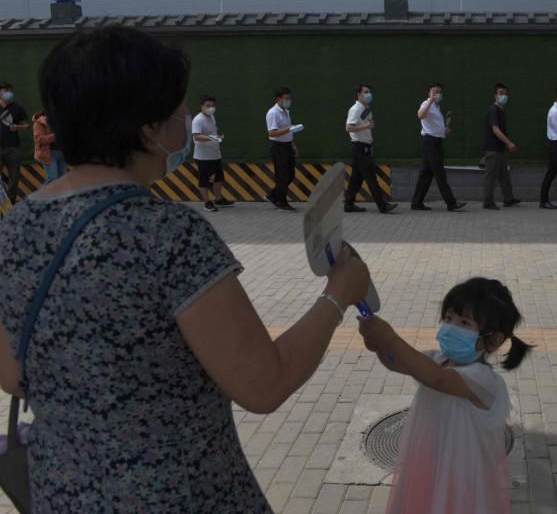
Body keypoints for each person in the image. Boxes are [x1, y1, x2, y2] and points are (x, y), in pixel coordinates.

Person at [0, 26, 371, 511]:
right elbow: (263, 384)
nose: (187, 115)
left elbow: (12, 375)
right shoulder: (169, 235)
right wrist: (338, 293)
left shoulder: (16, 227)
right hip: (178, 493)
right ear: (147, 128)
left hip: (64, 491)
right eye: (178, 108)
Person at [358, 278, 532, 514]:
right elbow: (398, 363)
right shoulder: (437, 359)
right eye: (449, 318)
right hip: (429, 464)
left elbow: (437, 379)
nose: (451, 327)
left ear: (493, 339)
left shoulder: (484, 380)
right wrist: (379, 346)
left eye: (463, 322)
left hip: (463, 478)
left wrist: (390, 337)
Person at [411, 83, 465, 212]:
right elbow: (420, 116)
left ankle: (416, 203)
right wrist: (430, 101)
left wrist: (444, 130)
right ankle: (451, 203)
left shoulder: (436, 107)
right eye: (435, 91)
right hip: (430, 143)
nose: (437, 94)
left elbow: (433, 125)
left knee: (426, 175)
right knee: (440, 174)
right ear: (429, 92)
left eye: (440, 92)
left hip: (434, 142)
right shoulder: (426, 104)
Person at [344, 85, 398, 214]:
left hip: (363, 147)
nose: (369, 94)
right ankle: (382, 205)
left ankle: (349, 205)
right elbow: (348, 128)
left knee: (356, 179)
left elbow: (364, 129)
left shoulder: (366, 108)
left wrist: (369, 145)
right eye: (366, 92)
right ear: (359, 94)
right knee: (371, 177)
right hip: (359, 147)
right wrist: (367, 126)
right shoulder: (355, 109)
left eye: (370, 92)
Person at [192, 95, 234, 212]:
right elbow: (197, 136)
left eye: (213, 106)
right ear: (202, 106)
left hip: (215, 154)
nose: (211, 108)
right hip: (203, 156)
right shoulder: (198, 119)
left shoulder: (212, 117)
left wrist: (217, 137)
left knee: (218, 178)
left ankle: (219, 199)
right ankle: (207, 202)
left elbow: (212, 132)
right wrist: (213, 138)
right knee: (204, 180)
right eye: (208, 106)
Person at [482, 83, 520, 210]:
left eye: (505, 93)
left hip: (500, 150)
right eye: (500, 93)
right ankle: (487, 202)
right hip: (493, 150)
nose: (503, 96)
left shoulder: (500, 111)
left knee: (504, 176)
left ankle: (508, 198)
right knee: (491, 177)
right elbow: (495, 129)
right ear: (495, 95)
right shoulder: (494, 110)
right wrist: (509, 143)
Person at [265, 86, 298, 212]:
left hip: (287, 145)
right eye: (286, 98)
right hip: (278, 147)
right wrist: (290, 129)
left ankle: (272, 195)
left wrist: (293, 145)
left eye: (290, 98)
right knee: (282, 176)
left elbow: (288, 129)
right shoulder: (273, 113)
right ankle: (281, 202)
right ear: (279, 99)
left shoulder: (286, 111)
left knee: (291, 175)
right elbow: (272, 133)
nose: (289, 100)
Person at [0, 83, 29, 202]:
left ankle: (11, 200)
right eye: (5, 91)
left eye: (9, 91)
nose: (8, 93)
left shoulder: (18, 108)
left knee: (14, 176)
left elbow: (26, 125)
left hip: (13, 148)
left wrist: (17, 126)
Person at [32, 111, 67, 185]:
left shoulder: (61, 120)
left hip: (62, 153)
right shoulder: (39, 123)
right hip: (49, 154)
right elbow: (39, 139)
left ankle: (60, 197)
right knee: (52, 179)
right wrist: (55, 135)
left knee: (63, 179)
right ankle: (41, 196)